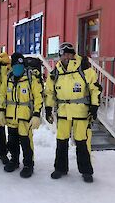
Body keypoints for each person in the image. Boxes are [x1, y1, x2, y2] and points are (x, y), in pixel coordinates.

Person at [45, 42, 101, 183]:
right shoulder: (55, 73)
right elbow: (49, 92)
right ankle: (60, 168)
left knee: (82, 142)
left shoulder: (84, 69)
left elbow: (95, 89)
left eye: (69, 54)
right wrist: (48, 108)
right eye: (64, 54)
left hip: (81, 113)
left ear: (73, 54)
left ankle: (86, 171)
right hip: (63, 113)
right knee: (61, 142)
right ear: (60, 56)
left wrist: (94, 106)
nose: (66, 57)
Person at [0, 53, 43, 178]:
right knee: (12, 141)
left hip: (25, 118)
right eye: (16, 65)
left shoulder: (31, 78)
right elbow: (3, 95)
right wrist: (1, 110)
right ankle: (14, 160)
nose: (18, 67)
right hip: (11, 117)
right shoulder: (8, 78)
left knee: (26, 142)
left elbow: (38, 97)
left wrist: (36, 114)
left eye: (20, 65)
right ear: (12, 66)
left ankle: (28, 164)